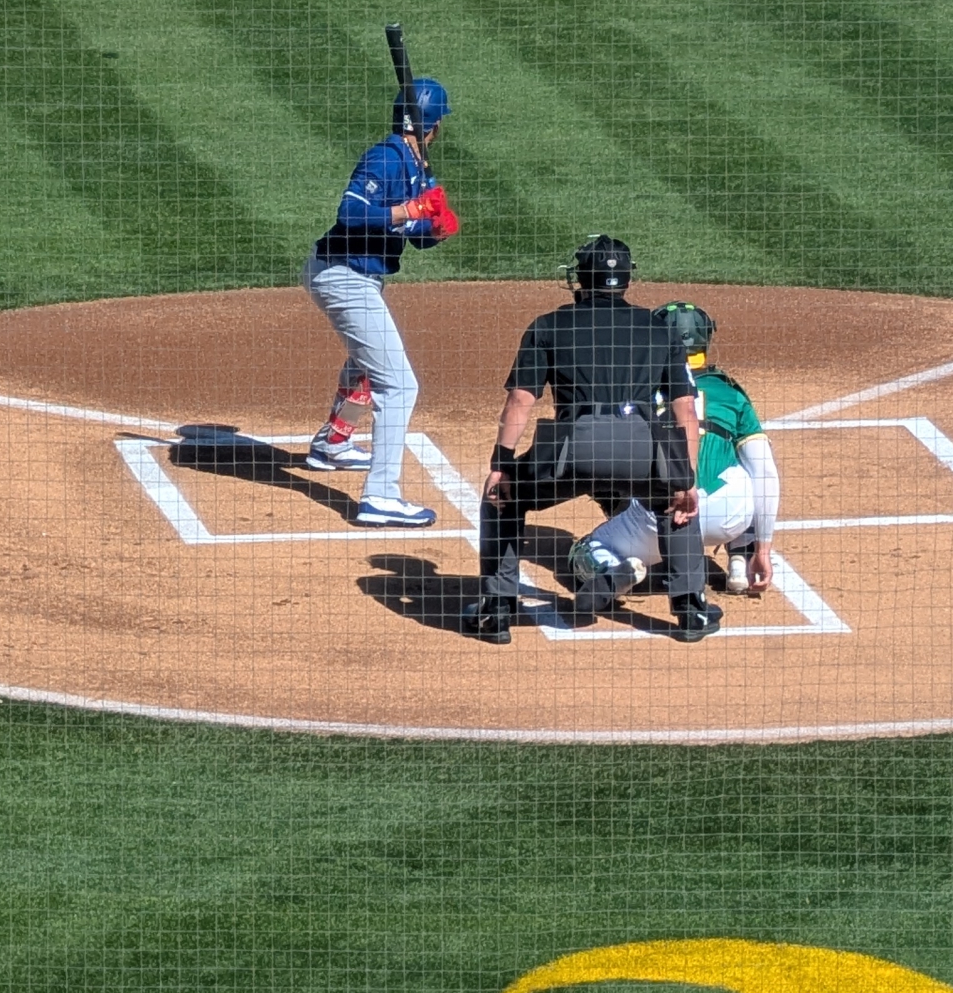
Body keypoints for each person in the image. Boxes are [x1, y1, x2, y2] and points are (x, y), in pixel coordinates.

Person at [462, 235, 717, 645]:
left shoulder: (547, 326)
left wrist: (501, 464)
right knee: (674, 503)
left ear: (580, 277)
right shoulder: (660, 330)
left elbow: (519, 402)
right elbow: (684, 410)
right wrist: (684, 479)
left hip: (571, 447)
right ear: (628, 279)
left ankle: (497, 610)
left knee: (502, 497)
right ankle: (691, 610)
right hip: (641, 447)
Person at [301, 74, 460, 528]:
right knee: (400, 385)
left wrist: (434, 229)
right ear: (433, 125)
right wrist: (409, 211)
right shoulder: (386, 159)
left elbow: (413, 238)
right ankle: (380, 497)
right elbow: (349, 214)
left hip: (355, 277)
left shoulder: (417, 168)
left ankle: (334, 441)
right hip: (341, 276)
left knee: (369, 365)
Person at [568, 300, 781, 604]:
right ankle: (742, 559)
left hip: (658, 521)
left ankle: (618, 567)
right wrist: (765, 549)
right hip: (728, 517)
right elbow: (765, 472)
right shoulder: (731, 393)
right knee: (744, 465)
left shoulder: (637, 388)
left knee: (585, 551)